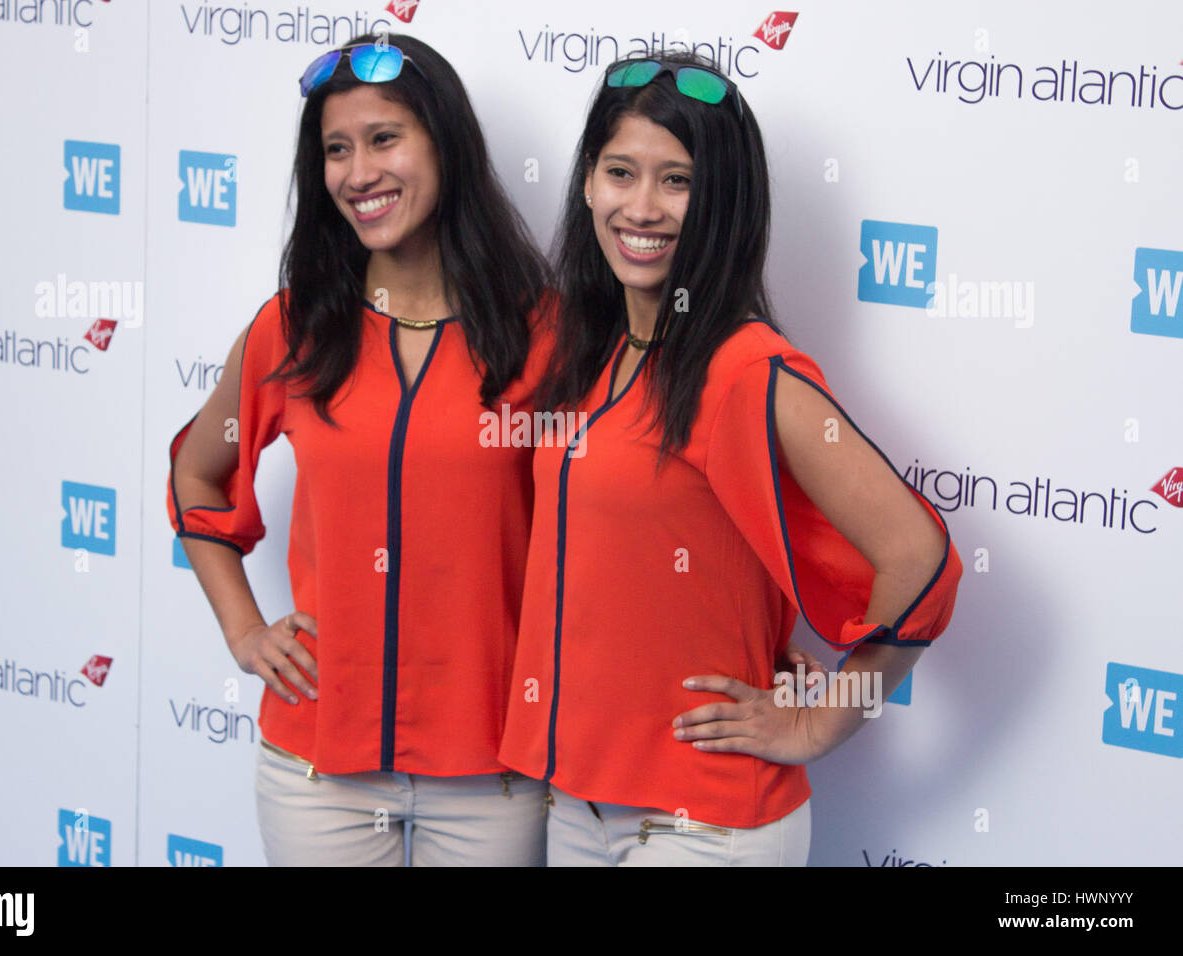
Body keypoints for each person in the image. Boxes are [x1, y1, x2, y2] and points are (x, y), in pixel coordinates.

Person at [498, 52, 965, 866]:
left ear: (723, 203)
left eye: (677, 181)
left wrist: (820, 721)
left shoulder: (746, 369)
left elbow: (922, 563)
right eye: (620, 172)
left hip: (706, 826)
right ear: (586, 184)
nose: (641, 206)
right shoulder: (593, 352)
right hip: (579, 806)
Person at [166, 33, 554, 866]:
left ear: (445, 144)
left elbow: (626, 511)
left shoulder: (546, 335)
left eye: (384, 139)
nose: (357, 172)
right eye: (336, 150)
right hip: (318, 770)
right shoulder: (295, 328)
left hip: (494, 771)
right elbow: (199, 473)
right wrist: (244, 630)